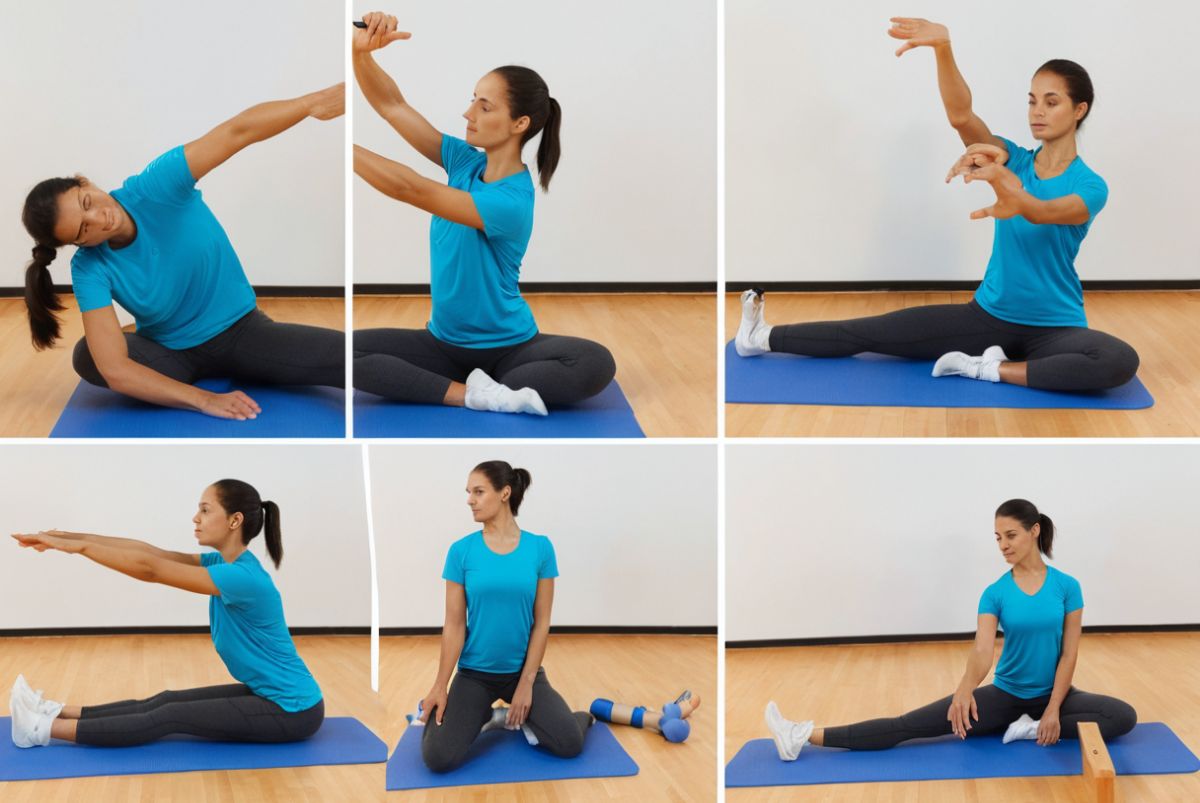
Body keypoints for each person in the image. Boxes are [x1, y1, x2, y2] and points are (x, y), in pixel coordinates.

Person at [735, 18, 1139, 393]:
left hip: (1057, 329)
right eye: (1032, 100)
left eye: (1052, 102)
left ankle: (986, 368)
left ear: (1079, 109)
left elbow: (1044, 212)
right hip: (987, 317)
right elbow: (961, 116)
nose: (1037, 111)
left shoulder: (1090, 186)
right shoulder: (1011, 158)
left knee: (1118, 360)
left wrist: (1006, 187)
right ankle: (759, 337)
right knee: (871, 332)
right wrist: (943, 48)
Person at [21, 85, 346, 421]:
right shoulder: (88, 267)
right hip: (175, 357)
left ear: (84, 182)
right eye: (82, 230)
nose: (98, 220)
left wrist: (310, 104)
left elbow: (237, 132)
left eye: (87, 203)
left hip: (241, 332)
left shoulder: (156, 187)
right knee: (88, 355)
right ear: (76, 243)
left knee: (347, 360)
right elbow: (114, 369)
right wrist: (202, 399)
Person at [351, 12, 616, 416]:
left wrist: (340, 149)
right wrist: (361, 55)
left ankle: (468, 388)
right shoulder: (463, 162)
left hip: (511, 350)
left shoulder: (511, 201)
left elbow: (410, 188)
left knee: (595, 363)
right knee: (342, 353)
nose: (468, 114)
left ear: (519, 123)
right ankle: (475, 393)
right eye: (472, 100)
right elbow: (392, 105)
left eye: (484, 105)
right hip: (440, 344)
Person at [764, 499, 1137, 760]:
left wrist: (1054, 709)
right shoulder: (995, 593)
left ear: (1034, 531)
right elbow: (982, 651)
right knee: (908, 726)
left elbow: (1070, 653)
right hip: (1006, 695)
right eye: (997, 538)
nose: (1003, 545)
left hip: (1058, 694)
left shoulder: (1067, 586)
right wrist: (964, 691)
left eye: (1010, 535)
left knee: (1122, 716)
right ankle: (801, 735)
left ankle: (1031, 726)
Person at [8, 480, 324, 748]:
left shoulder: (243, 578)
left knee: (169, 717)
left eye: (205, 509)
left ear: (234, 520)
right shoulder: (223, 563)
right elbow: (153, 554)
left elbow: (150, 569)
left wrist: (77, 550)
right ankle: (58, 711)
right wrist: (70, 538)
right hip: (273, 695)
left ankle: (40, 729)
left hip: (292, 710)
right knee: (166, 699)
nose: (195, 518)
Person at [415, 461, 593, 771]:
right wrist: (440, 685)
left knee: (570, 743)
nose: (470, 499)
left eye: (479, 491)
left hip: (523, 672)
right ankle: (483, 715)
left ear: (504, 493)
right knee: (438, 758)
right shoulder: (461, 551)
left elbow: (542, 624)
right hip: (474, 675)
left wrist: (526, 684)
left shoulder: (540, 548)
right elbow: (454, 625)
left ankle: (579, 717)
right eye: (469, 492)